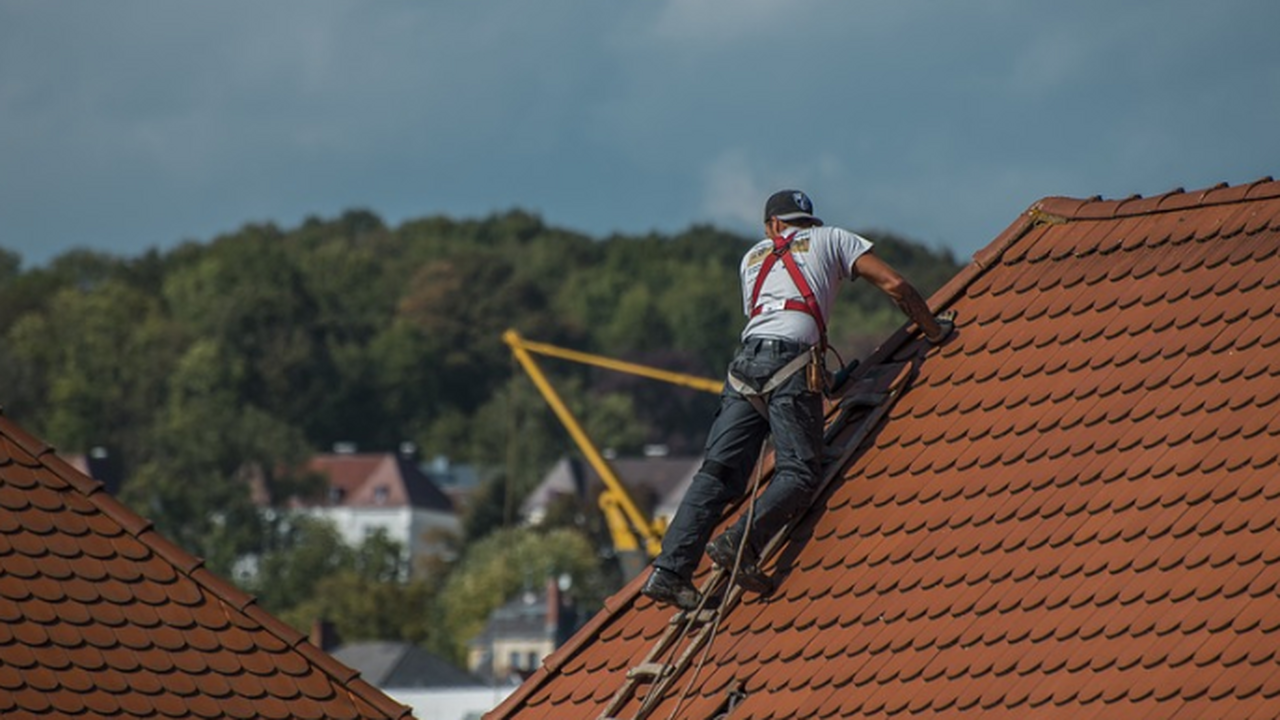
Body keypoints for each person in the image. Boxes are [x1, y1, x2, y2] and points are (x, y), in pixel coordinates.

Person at [640, 189, 953, 610]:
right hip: (791, 363)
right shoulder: (833, 239)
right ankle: (739, 543)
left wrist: (819, 382)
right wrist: (934, 330)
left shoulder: (751, 259)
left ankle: (669, 572)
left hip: (744, 369)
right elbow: (895, 285)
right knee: (801, 472)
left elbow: (772, 319)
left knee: (717, 474)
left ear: (772, 226)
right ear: (806, 222)